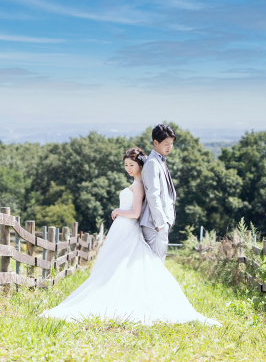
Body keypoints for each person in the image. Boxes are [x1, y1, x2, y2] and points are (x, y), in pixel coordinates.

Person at [40, 145, 219, 326]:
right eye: (125, 165)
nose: (128, 168)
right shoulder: (135, 183)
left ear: (140, 164)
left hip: (128, 227)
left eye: (131, 164)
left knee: (123, 264)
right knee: (113, 265)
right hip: (121, 228)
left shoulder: (139, 184)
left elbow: (135, 212)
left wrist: (118, 210)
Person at [139, 124, 176, 262]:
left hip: (159, 225)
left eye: (171, 144)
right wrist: (161, 224)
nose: (169, 147)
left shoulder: (159, 161)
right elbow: (152, 194)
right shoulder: (153, 163)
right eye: (166, 143)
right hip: (154, 225)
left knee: (156, 264)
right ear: (156, 142)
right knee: (155, 264)